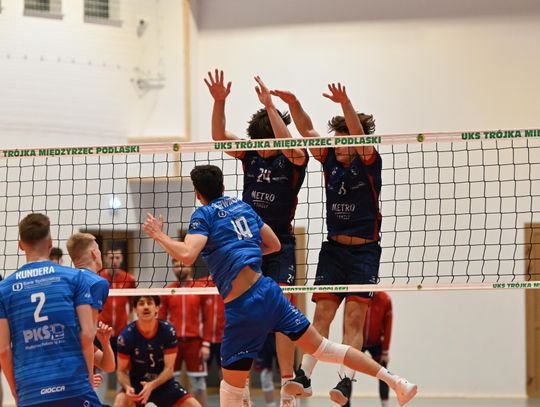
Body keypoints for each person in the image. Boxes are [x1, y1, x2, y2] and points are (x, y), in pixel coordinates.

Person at [142, 165, 417, 407]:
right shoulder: (243, 207)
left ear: (197, 193)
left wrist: (158, 235)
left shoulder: (203, 215)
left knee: (230, 390)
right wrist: (242, 253)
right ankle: (396, 382)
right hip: (269, 293)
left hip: (243, 308)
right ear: (223, 186)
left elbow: (187, 255)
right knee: (323, 348)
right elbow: (273, 245)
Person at [272, 83, 381, 405]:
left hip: (364, 252)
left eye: (343, 139)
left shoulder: (368, 159)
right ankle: (304, 376)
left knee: (353, 320)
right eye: (336, 139)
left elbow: (359, 137)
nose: (337, 144)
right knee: (321, 316)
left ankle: (345, 382)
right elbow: (306, 130)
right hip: (333, 250)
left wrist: (346, 102)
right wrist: (294, 103)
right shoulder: (329, 157)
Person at [205, 70, 308, 406]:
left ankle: (288, 384)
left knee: (283, 309)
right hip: (248, 243)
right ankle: (243, 386)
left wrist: (270, 106)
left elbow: (290, 146)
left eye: (267, 145)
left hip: (281, 242)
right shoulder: (250, 153)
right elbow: (219, 137)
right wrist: (219, 102)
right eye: (257, 146)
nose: (261, 151)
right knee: (245, 311)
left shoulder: (293, 158)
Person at [0, 213, 100, 406]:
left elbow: (3, 350)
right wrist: (87, 377)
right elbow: (88, 333)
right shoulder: (75, 278)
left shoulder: (4, 289)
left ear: (21, 245)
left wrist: (16, 391)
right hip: (73, 384)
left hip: (30, 388)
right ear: (50, 243)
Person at [114, 295, 201, 407]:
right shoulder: (126, 336)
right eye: (141, 304)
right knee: (120, 401)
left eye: (150, 303)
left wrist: (152, 385)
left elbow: (169, 369)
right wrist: (127, 387)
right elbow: (121, 371)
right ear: (135, 309)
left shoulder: (168, 331)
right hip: (137, 385)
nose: (146, 307)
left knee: (194, 405)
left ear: (157, 308)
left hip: (163, 384)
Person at [159, 260, 211, 406]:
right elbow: (161, 320)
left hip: (195, 342)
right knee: (171, 383)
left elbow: (207, 318)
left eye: (183, 265)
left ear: (190, 267)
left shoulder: (200, 288)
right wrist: (162, 344)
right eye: (176, 266)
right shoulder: (168, 290)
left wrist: (206, 344)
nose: (180, 268)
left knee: (198, 384)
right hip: (173, 343)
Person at [361, 291, 393, 407]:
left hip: (377, 343)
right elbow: (348, 319)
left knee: (384, 374)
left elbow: (388, 325)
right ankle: (345, 404)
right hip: (358, 341)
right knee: (347, 373)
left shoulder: (385, 299)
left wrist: (385, 352)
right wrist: (347, 342)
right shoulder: (356, 295)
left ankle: (385, 404)